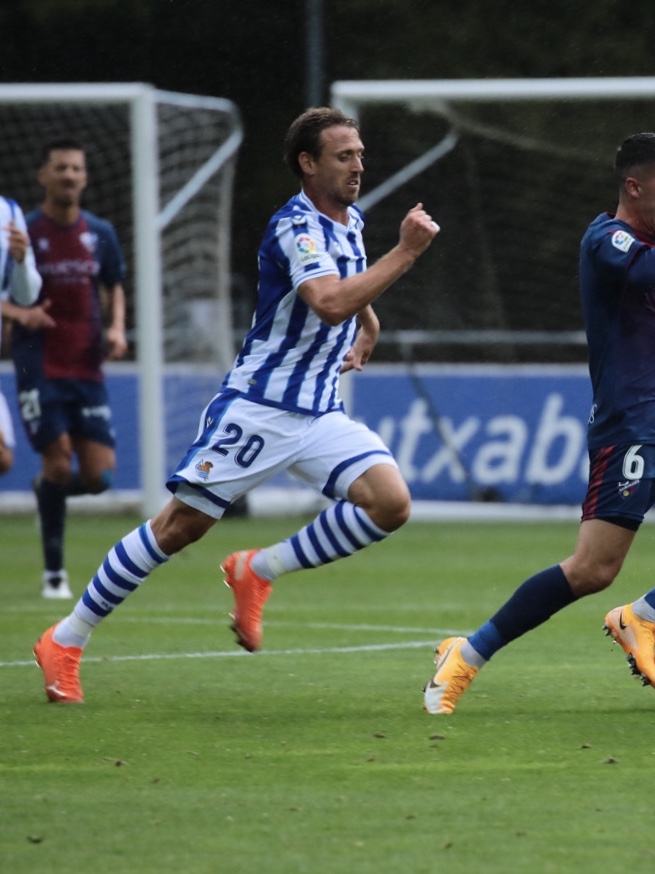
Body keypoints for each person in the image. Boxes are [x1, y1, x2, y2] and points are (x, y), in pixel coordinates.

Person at [32, 107, 439, 704]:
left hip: (319, 410)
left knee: (390, 504)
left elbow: (348, 281)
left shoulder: (349, 219)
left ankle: (258, 569)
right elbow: (327, 301)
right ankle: (65, 639)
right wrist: (404, 254)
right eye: (343, 156)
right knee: (180, 527)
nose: (358, 165)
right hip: (260, 407)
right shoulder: (294, 226)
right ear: (308, 163)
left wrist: (370, 321)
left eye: (359, 153)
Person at [422, 131, 655, 715]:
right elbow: (644, 274)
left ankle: (640, 615)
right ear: (633, 185)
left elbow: (635, 326)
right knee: (592, 569)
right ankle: (465, 653)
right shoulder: (608, 238)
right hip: (632, 433)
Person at [0, 141, 126, 600]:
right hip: (40, 363)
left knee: (99, 477)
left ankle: (47, 493)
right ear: (43, 176)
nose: (70, 175)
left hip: (86, 365)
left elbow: (113, 284)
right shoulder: (22, 231)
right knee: (57, 458)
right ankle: (55, 574)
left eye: (76, 168)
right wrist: (19, 314)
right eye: (61, 168)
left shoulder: (100, 232)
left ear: (85, 177)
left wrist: (116, 329)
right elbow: (13, 290)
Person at [0, 193, 44, 477]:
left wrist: (20, 259)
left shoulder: (9, 212)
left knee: (3, 458)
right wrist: (16, 314)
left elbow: (28, 294)